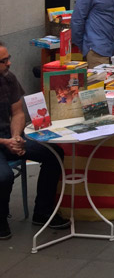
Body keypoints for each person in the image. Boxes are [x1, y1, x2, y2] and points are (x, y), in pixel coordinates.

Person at [0, 42, 70, 239]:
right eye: (3, 61)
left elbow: (18, 112)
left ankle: (43, 211)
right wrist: (5, 143)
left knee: (54, 154)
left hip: (9, 136)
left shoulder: (8, 78)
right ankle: (1, 218)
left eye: (8, 58)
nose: (9, 63)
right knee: (4, 176)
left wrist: (15, 137)